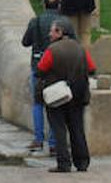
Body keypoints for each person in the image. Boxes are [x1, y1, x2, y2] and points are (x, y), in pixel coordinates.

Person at [35, 19, 96, 174]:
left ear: (61, 32)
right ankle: (82, 162)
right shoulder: (80, 48)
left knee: (59, 129)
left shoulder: (52, 50)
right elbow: (91, 68)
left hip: (57, 95)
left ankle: (64, 163)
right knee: (77, 128)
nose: (50, 34)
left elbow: (41, 69)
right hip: (78, 95)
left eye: (53, 31)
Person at [22, 0, 63, 153]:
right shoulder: (63, 22)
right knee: (55, 103)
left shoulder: (36, 21)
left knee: (38, 103)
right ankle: (53, 143)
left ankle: (38, 140)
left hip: (38, 66)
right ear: (59, 6)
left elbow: (25, 42)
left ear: (44, 5)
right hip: (58, 67)